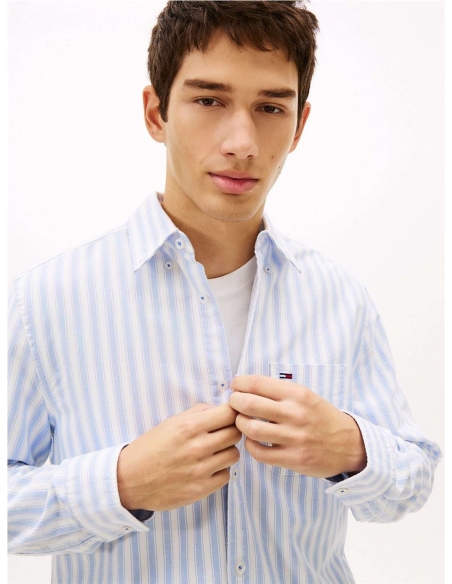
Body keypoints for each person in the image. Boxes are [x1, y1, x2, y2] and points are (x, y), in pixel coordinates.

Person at [8, 1, 442, 583]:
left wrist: (350, 449)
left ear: (299, 126)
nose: (242, 142)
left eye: (270, 107)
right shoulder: (45, 301)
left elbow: (411, 482)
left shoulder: (341, 299)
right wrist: (122, 484)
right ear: (156, 113)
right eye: (210, 101)